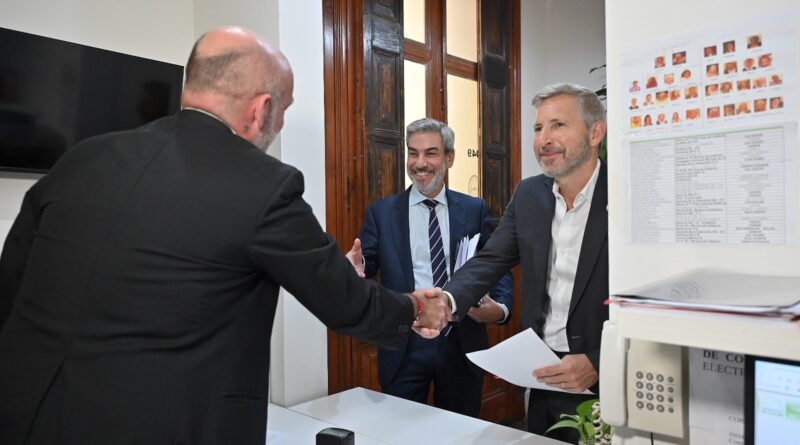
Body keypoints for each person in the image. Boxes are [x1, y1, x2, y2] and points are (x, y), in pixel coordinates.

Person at [0, 26, 451, 445]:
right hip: (162, 426)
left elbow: (12, 281)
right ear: (261, 109)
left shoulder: (81, 158)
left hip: (26, 413)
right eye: (284, 110)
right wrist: (415, 307)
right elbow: (346, 304)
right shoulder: (264, 185)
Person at [440, 83, 609, 443]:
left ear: (596, 133)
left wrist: (598, 361)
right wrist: (446, 301)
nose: (543, 139)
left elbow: (652, 302)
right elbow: (491, 259)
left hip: (604, 382)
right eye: (538, 128)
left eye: (558, 125)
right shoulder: (529, 194)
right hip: (542, 373)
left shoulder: (626, 195)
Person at [344, 118, 513, 417]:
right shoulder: (381, 213)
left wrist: (500, 309)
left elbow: (496, 264)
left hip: (461, 342)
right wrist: (354, 270)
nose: (420, 163)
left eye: (430, 153)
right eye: (413, 153)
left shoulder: (474, 209)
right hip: (404, 344)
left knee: (461, 433)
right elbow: (365, 263)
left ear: (449, 157)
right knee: (401, 432)